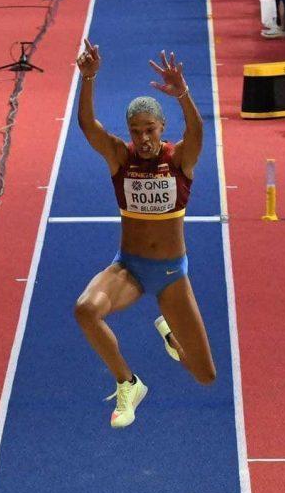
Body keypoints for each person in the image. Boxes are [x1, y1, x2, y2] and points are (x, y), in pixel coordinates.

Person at [73, 40, 216, 429]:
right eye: (136, 132)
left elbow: (198, 130)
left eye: (150, 130)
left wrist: (183, 93)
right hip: (129, 268)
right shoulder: (121, 158)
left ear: (162, 128)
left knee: (205, 375)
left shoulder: (179, 159)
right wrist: (89, 78)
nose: (143, 138)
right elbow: (88, 126)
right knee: (86, 310)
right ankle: (128, 382)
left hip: (171, 275)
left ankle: (171, 336)